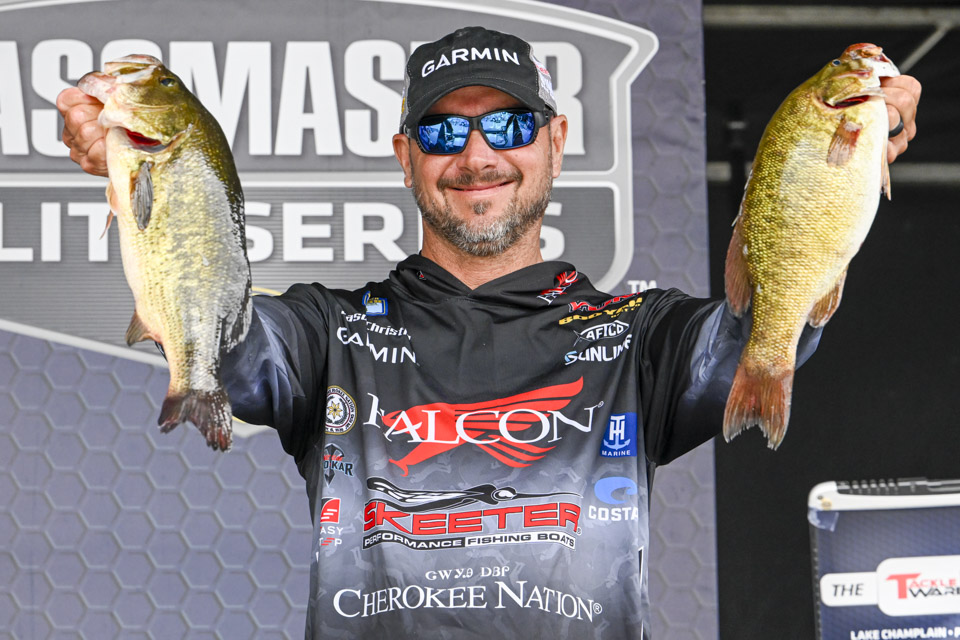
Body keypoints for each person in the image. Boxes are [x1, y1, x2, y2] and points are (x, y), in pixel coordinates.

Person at [58, 25, 921, 640]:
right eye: (443, 130)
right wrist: (146, 175)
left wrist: (839, 164)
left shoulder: (639, 336)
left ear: (555, 142)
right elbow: (226, 345)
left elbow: (758, 337)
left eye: (507, 126)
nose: (477, 156)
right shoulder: (329, 332)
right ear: (406, 156)